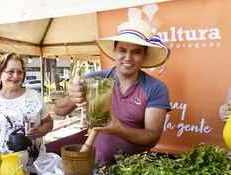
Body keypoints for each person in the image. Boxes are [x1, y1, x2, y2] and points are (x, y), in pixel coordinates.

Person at [55, 20, 171, 165]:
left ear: (144, 55)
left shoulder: (156, 88)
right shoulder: (95, 80)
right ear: (114, 51)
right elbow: (59, 110)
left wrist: (120, 130)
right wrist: (73, 97)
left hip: (135, 169)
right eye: (122, 50)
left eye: (136, 52)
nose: (128, 58)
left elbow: (153, 137)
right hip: (96, 164)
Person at [0, 52, 53, 168]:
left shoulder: (34, 96)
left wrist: (39, 131)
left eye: (20, 72)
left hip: (36, 165)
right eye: (11, 71)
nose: (16, 76)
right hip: (5, 167)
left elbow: (49, 122)